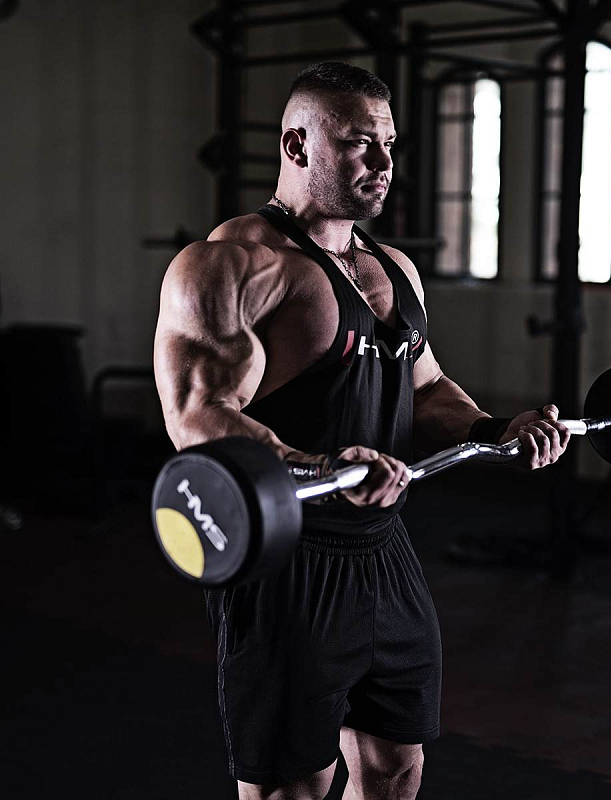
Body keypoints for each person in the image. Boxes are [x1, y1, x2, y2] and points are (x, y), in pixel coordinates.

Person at [154, 62, 570, 800]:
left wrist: (495, 430)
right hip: (287, 561)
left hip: (384, 550)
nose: (382, 162)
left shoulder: (392, 267)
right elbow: (199, 416)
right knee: (294, 787)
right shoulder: (233, 265)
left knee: (395, 765)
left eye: (389, 144)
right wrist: (316, 467)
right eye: (357, 143)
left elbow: (426, 386)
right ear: (296, 144)